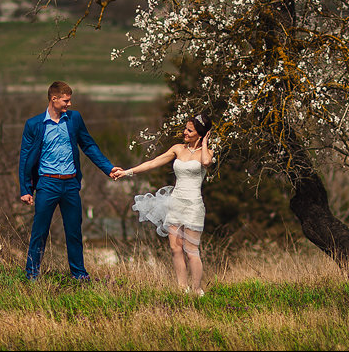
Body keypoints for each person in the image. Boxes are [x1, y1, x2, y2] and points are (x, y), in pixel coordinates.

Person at [18, 81, 116, 282]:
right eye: (66, 100)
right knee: (39, 231)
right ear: (53, 99)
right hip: (47, 183)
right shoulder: (34, 124)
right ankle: (32, 276)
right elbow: (25, 158)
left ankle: (79, 275)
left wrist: (108, 168)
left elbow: (88, 145)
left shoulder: (74, 119)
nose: (69, 104)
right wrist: (25, 189)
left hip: (70, 183)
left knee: (74, 232)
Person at [111, 113, 213, 295]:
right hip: (175, 203)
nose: (185, 132)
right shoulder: (178, 149)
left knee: (191, 250)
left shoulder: (205, 154)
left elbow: (206, 162)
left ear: (200, 133)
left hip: (193, 205)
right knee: (175, 248)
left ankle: (197, 290)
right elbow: (153, 162)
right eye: (186, 129)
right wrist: (128, 172)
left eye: (190, 130)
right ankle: (182, 289)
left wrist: (205, 143)